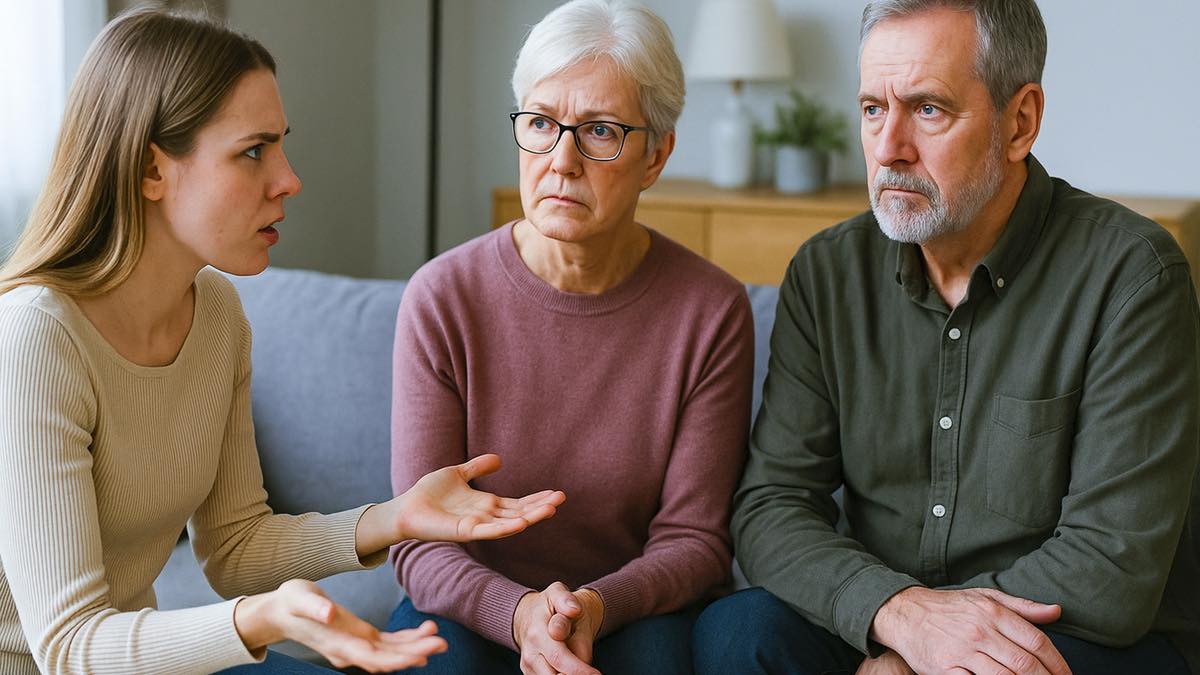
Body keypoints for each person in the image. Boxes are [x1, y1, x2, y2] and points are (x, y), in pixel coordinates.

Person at [0, 8, 565, 674]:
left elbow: (235, 544)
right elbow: (68, 645)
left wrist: (397, 516)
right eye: (253, 151)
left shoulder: (215, 313)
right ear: (152, 170)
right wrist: (261, 619)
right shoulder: (36, 337)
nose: (289, 179)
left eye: (281, 147)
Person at [693, 1, 1199, 674]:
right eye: (873, 108)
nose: (888, 147)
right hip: (889, 611)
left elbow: (1113, 564)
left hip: (1074, 635)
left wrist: (921, 660)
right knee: (736, 634)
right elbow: (772, 506)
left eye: (928, 109)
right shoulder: (826, 273)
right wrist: (901, 619)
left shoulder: (1133, 275)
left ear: (1020, 122)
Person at [385, 0, 754, 673]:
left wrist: (590, 608)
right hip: (473, 607)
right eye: (540, 123)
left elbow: (695, 539)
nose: (562, 160)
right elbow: (418, 538)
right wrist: (522, 613)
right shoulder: (442, 297)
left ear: (655, 155)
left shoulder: (711, 310)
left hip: (630, 608)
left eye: (600, 131)